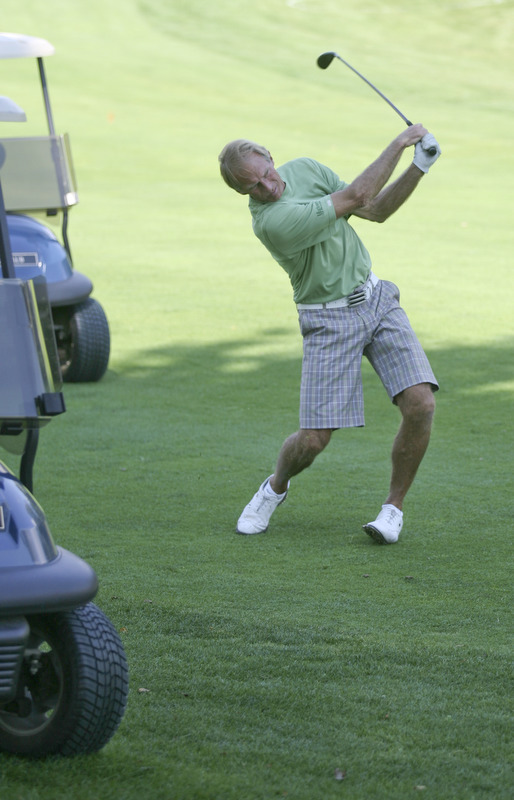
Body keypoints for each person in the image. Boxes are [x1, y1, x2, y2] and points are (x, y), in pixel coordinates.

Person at [218, 125, 441, 544]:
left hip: (377, 300)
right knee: (315, 439)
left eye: (266, 172)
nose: (268, 186)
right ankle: (275, 487)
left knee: (421, 404)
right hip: (328, 320)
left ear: (269, 155)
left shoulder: (304, 169)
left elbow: (373, 209)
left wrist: (418, 167)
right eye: (254, 186)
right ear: (243, 193)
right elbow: (356, 196)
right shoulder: (272, 222)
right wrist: (398, 143)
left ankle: (393, 508)